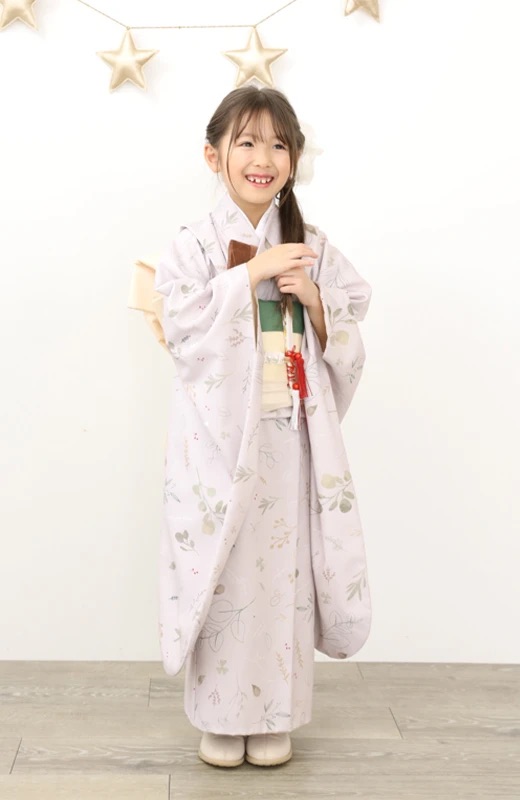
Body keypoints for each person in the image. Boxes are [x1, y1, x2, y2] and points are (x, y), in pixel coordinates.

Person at [152, 85, 373, 769]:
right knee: (222, 572)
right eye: (246, 142)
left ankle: (275, 712)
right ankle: (220, 716)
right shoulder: (192, 245)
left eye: (278, 145)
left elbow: (354, 316)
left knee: (281, 574)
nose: (263, 158)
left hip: (287, 439)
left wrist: (317, 301)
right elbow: (180, 328)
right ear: (213, 154)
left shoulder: (311, 244)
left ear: (294, 158)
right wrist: (250, 276)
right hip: (215, 442)